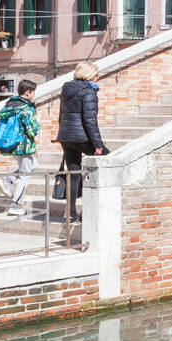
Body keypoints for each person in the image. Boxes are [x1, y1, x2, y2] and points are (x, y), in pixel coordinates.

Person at [56, 61, 105, 223]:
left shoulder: (66, 89)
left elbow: (61, 115)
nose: (98, 78)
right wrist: (98, 144)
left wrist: (63, 133)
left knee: (74, 174)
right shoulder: (88, 92)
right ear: (90, 76)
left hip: (66, 137)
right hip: (81, 137)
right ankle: (92, 210)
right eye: (96, 75)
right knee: (108, 161)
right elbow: (90, 121)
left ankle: (70, 213)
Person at [0, 80, 40, 217]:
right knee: (25, 176)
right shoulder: (26, 109)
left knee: (34, 165)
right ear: (28, 93)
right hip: (24, 146)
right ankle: (14, 205)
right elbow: (32, 131)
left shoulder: (10, 105)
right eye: (33, 93)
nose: (34, 95)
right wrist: (38, 122)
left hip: (14, 145)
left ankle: (8, 180)